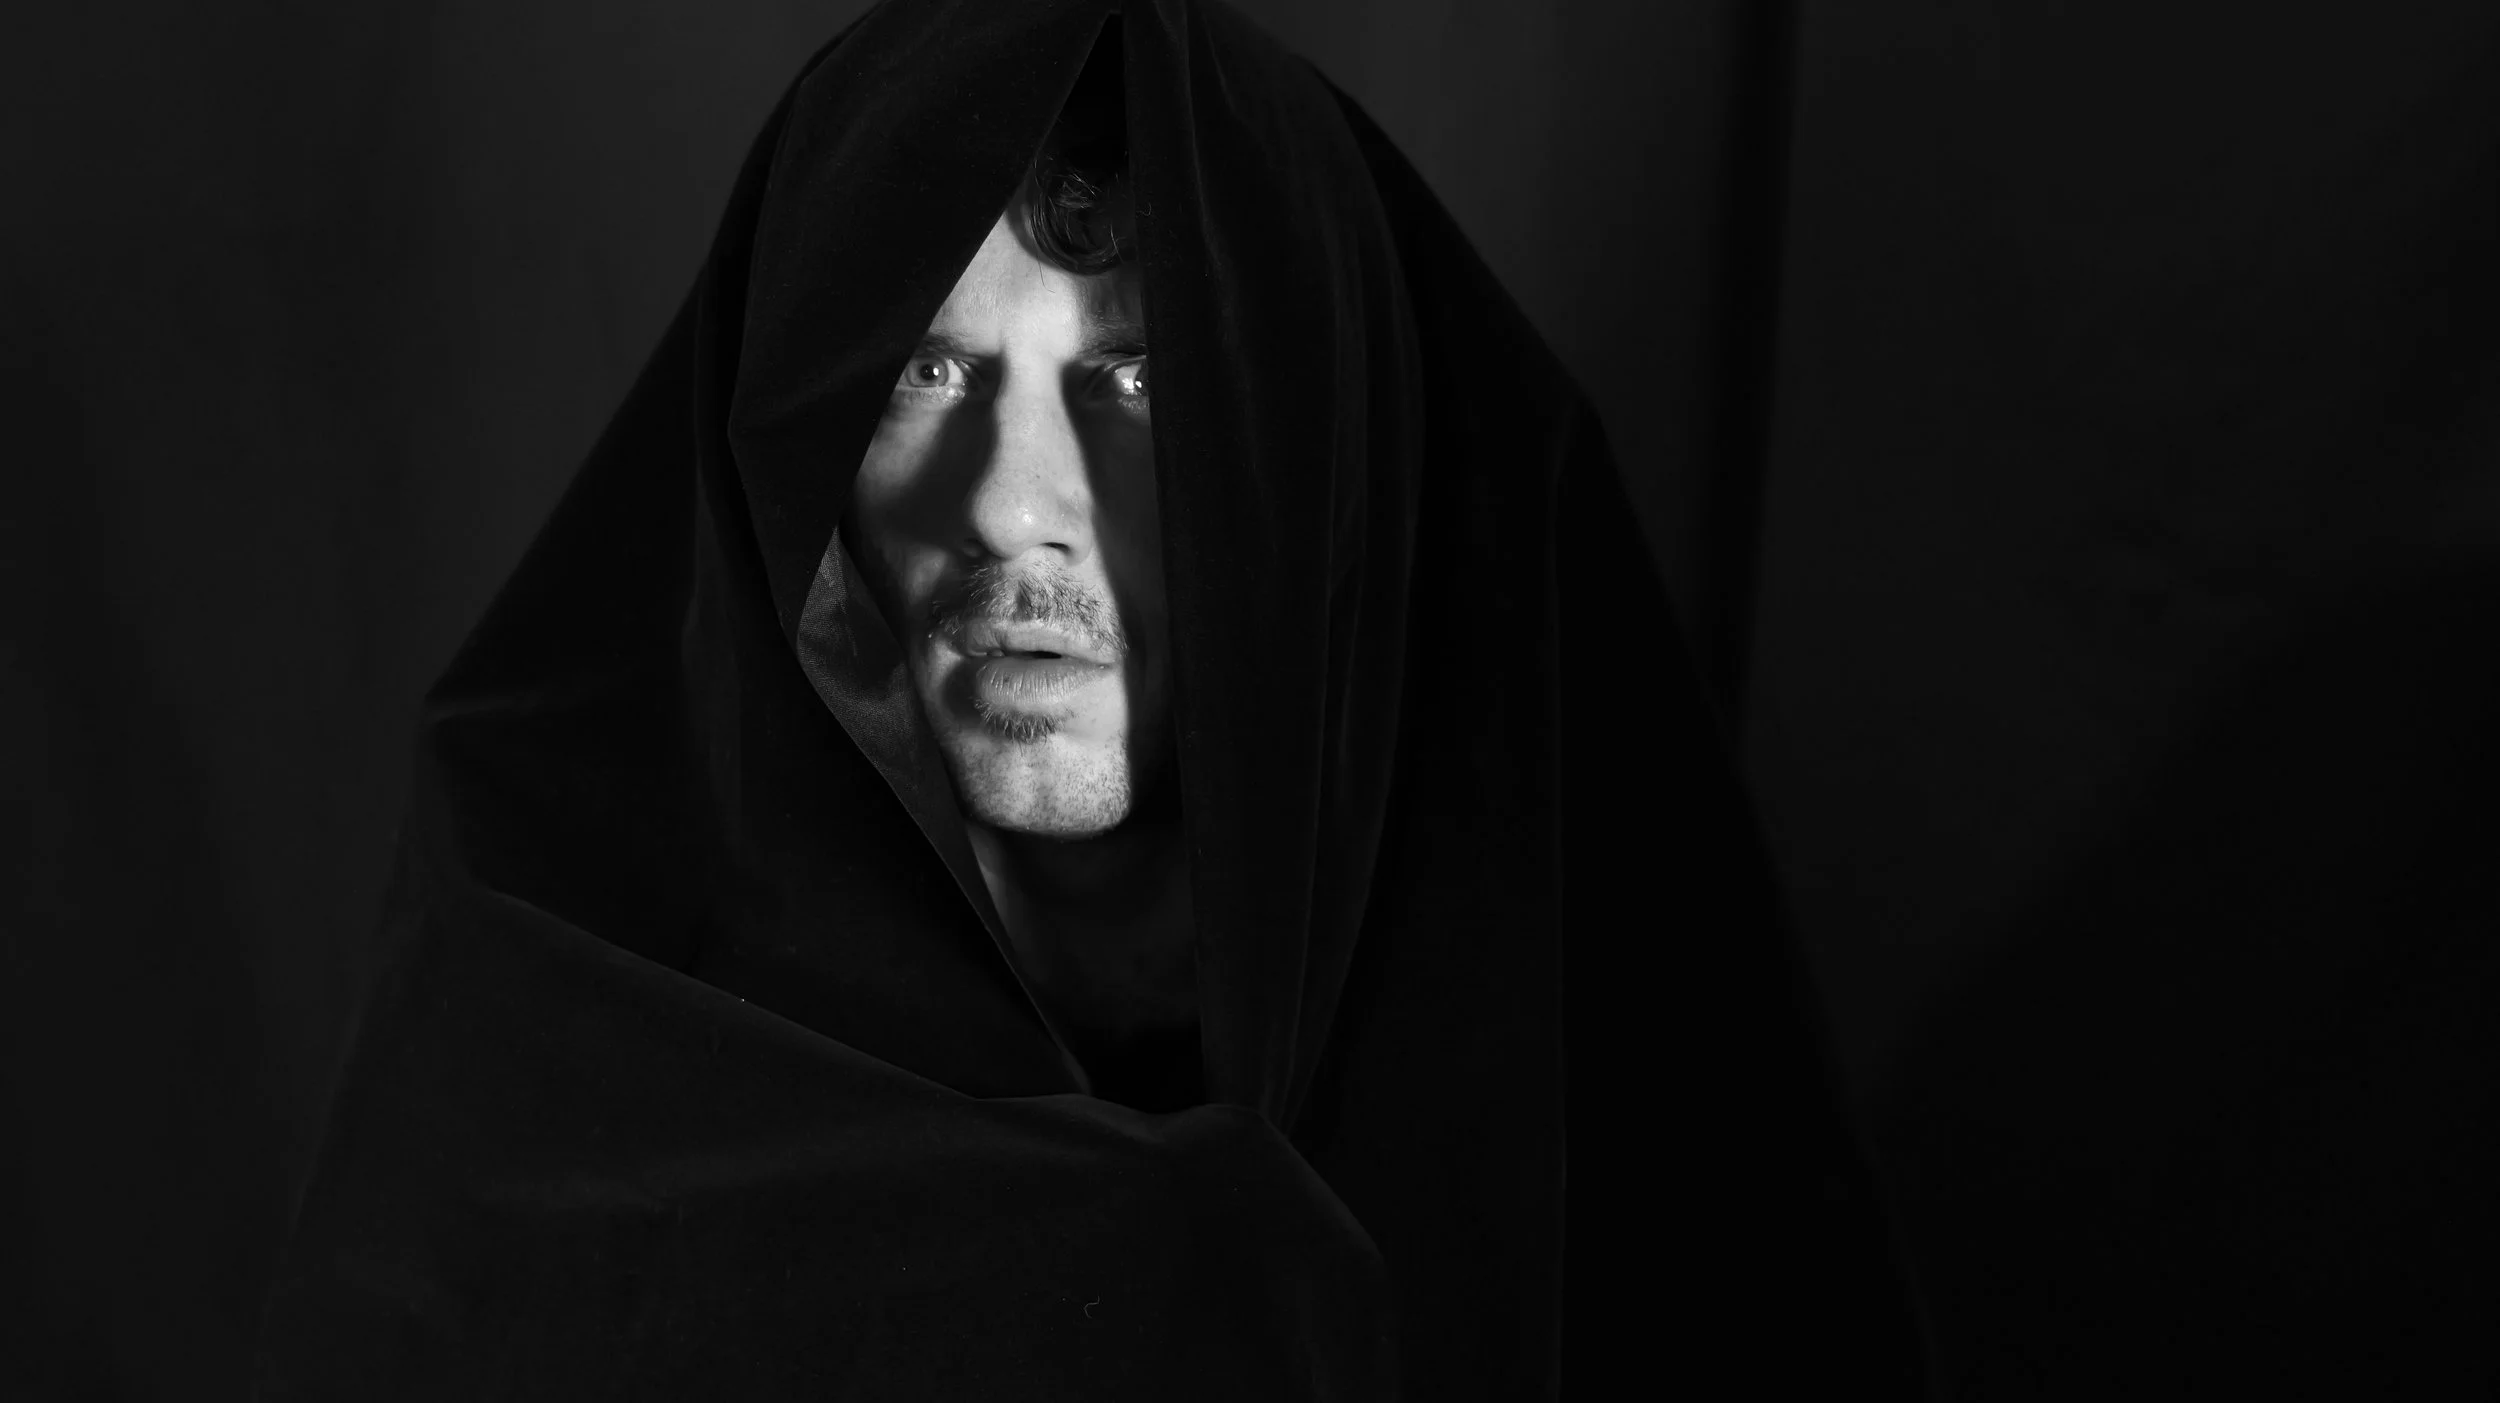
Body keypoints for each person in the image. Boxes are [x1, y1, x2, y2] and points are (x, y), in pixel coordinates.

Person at [253, 1, 1926, 1397]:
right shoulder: (556, 1058)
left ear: (1309, 464)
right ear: (804, 452)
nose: (1012, 497)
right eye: (929, 372)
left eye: (1139, 377)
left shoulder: (1582, 1037)